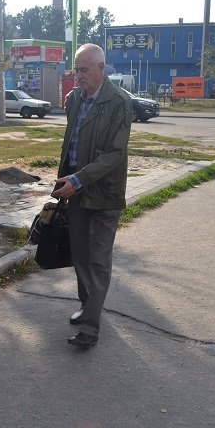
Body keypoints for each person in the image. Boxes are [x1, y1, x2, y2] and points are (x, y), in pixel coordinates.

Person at [52, 43, 133, 349]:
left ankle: (90, 326)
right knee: (80, 254)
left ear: (101, 68)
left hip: (103, 193)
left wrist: (79, 178)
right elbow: (71, 142)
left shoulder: (119, 103)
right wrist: (65, 178)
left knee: (98, 259)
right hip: (74, 190)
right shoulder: (75, 98)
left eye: (84, 69)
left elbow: (114, 153)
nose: (78, 75)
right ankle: (88, 305)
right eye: (76, 68)